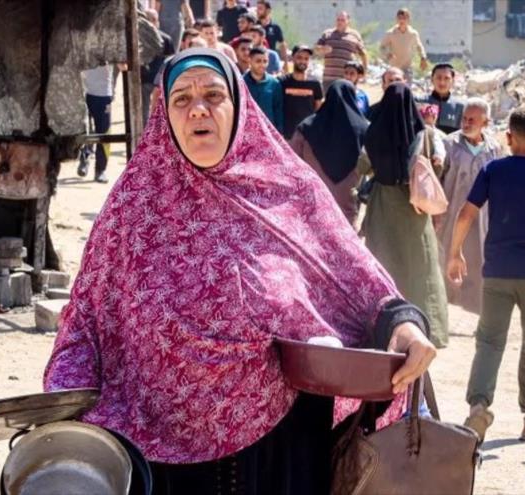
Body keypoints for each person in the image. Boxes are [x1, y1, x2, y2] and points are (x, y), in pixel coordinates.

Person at [44, 48, 436, 494]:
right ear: (165, 115)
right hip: (158, 457)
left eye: (213, 94)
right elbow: (85, 319)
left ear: (239, 105)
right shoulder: (133, 206)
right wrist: (59, 409)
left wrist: (402, 323)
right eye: (181, 99)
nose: (198, 109)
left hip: (280, 449)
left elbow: (356, 278)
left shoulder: (291, 190)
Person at [447, 107, 525, 444]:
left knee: (489, 341)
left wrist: (455, 252)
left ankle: (478, 405)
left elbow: (465, 213)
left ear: (508, 137)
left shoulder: (493, 169)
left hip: (498, 272)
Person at [359, 82, 449, 348]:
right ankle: (425, 328)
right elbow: (437, 168)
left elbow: (362, 166)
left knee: (383, 266)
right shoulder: (422, 135)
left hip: (382, 209)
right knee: (419, 269)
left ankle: (383, 328)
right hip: (414, 210)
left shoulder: (373, 133)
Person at [436, 98, 500, 315]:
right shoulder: (448, 145)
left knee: (479, 261)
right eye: (464, 118)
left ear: (486, 122)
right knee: (444, 259)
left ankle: (480, 312)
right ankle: (440, 313)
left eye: (473, 119)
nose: (466, 123)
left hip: (482, 217)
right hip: (451, 214)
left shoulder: (493, 148)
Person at [290, 80, 366, 227]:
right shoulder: (364, 128)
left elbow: (291, 158)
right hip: (347, 198)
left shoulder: (307, 126)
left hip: (315, 196)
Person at [314, 11, 368, 92]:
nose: (339, 22)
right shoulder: (327, 34)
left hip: (348, 78)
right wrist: (322, 49)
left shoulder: (354, 35)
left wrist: (364, 72)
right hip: (329, 78)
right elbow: (315, 49)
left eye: (342, 20)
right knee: (329, 103)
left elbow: (363, 54)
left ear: (348, 21)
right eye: (338, 20)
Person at [279, 45, 323, 140]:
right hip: (287, 136)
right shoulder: (282, 82)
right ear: (292, 58)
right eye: (299, 57)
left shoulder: (315, 84)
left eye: (306, 58)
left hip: (307, 136)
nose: (303, 61)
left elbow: (318, 110)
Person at [141, 8, 176, 127]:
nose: (153, 22)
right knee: (146, 109)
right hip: (146, 80)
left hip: (157, 80)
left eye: (154, 19)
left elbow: (170, 60)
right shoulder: (138, 39)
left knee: (154, 108)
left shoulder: (166, 39)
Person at [80, 64, 114, 183]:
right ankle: (84, 159)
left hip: (104, 96)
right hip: (86, 94)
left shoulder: (109, 49)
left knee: (104, 132)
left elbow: (124, 66)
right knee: (86, 129)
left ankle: (101, 170)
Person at [379, 8, 429, 81]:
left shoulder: (413, 34)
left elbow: (419, 46)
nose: (402, 20)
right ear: (396, 19)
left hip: (407, 67)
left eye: (404, 18)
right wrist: (387, 53)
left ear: (408, 19)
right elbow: (382, 47)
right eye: (400, 18)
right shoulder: (390, 33)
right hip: (394, 67)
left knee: (407, 89)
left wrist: (423, 57)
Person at [243, 47, 284, 133]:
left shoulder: (274, 83)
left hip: (268, 132)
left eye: (265, 61)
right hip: (246, 131)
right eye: (258, 61)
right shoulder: (241, 82)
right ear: (250, 61)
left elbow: (278, 109)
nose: (262, 64)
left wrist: (279, 132)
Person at [418, 63, 465, 134]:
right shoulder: (419, 101)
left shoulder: (460, 107)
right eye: (438, 77)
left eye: (446, 78)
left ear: (453, 81)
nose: (442, 82)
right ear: (432, 80)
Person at [416, 103, 446, 176]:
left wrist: (439, 155)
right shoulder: (418, 129)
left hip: (429, 162)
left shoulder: (436, 133)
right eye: (425, 116)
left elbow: (438, 144)